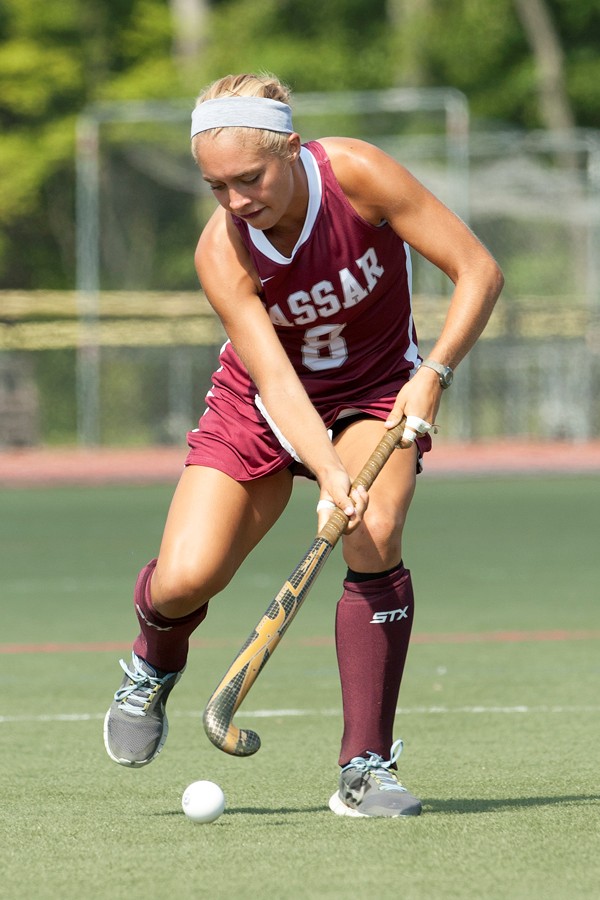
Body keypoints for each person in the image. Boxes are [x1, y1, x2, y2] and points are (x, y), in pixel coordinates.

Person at [103, 72, 503, 818]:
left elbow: (479, 270)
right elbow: (276, 381)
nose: (236, 201)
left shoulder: (356, 175)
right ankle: (154, 660)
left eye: (249, 179)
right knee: (185, 579)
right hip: (260, 405)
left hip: (378, 391)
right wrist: (325, 471)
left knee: (375, 530)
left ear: (291, 148)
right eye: (216, 187)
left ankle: (364, 766)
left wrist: (435, 373)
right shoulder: (222, 252)